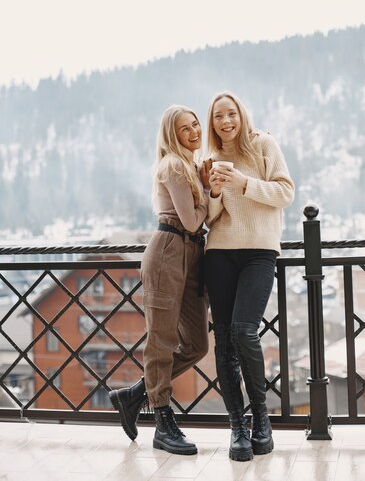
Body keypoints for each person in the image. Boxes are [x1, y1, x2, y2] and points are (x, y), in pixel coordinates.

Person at [109, 105, 209, 456]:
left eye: (196, 124)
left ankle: (135, 394)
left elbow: (197, 224)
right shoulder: (174, 166)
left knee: (197, 345)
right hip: (169, 249)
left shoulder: (194, 166)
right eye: (185, 128)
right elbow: (192, 219)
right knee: (161, 340)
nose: (194, 131)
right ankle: (162, 423)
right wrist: (211, 192)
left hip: (192, 255)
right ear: (172, 135)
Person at [203, 91, 294, 462]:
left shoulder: (264, 145)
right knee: (223, 341)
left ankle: (262, 420)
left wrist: (244, 184)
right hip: (219, 251)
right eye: (218, 117)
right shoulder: (210, 159)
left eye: (231, 114)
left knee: (244, 330)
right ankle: (237, 428)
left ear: (241, 115)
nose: (225, 121)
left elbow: (285, 192)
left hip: (259, 250)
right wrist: (212, 190)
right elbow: (210, 217)